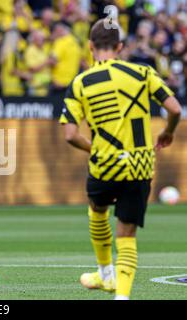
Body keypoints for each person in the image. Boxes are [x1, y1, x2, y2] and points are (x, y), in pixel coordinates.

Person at [59, 19, 182, 300]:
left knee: (97, 210)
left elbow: (69, 135)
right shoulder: (142, 72)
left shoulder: (80, 83)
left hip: (104, 165)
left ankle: (105, 274)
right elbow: (174, 109)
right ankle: (122, 297)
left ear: (90, 47)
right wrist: (167, 132)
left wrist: (97, 148)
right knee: (127, 236)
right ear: (120, 47)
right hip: (140, 166)